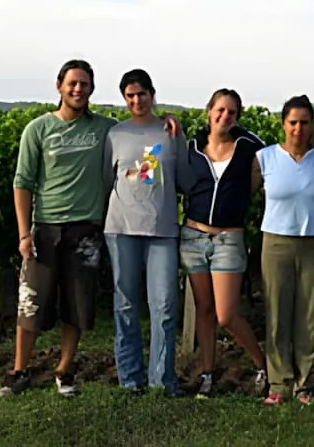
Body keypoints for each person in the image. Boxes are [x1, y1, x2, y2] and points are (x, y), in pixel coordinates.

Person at [0, 59, 178, 398]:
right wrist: (24, 234)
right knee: (31, 302)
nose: (78, 89)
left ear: (92, 90)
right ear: (59, 86)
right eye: (73, 83)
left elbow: (140, 132)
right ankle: (19, 371)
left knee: (77, 305)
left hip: (86, 230)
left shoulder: (105, 128)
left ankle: (64, 371)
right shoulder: (38, 129)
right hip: (46, 227)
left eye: (84, 84)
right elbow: (22, 183)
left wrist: (167, 119)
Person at [102, 69, 189, 396]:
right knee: (125, 305)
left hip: (162, 230)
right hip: (121, 228)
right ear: (124, 99)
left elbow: (182, 177)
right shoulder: (115, 135)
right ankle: (130, 379)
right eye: (130, 95)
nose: (137, 100)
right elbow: (105, 180)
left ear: (152, 94)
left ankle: (162, 380)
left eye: (142, 93)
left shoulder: (170, 131)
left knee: (164, 306)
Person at [180, 88, 267, 399]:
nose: (224, 116)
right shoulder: (192, 145)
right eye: (220, 110)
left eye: (231, 112)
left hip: (228, 238)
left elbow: (259, 176)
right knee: (204, 309)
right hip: (193, 236)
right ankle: (206, 374)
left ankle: (262, 365)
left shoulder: (248, 146)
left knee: (226, 314)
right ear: (209, 111)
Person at [254, 95, 314, 406]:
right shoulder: (265, 158)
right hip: (275, 242)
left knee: (310, 315)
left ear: (311, 125)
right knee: (276, 312)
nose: (298, 128)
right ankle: (279, 381)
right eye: (292, 122)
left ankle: (304, 382)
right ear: (283, 124)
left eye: (304, 122)